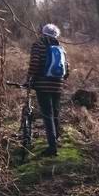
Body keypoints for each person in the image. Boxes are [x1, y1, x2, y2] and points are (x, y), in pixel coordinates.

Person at [26, 24, 69, 156]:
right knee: (55, 114)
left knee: (47, 115)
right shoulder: (60, 47)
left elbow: (34, 63)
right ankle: (56, 139)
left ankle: (52, 147)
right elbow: (67, 66)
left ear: (43, 33)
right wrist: (62, 79)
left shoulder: (38, 45)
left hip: (43, 85)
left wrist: (29, 79)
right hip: (58, 84)